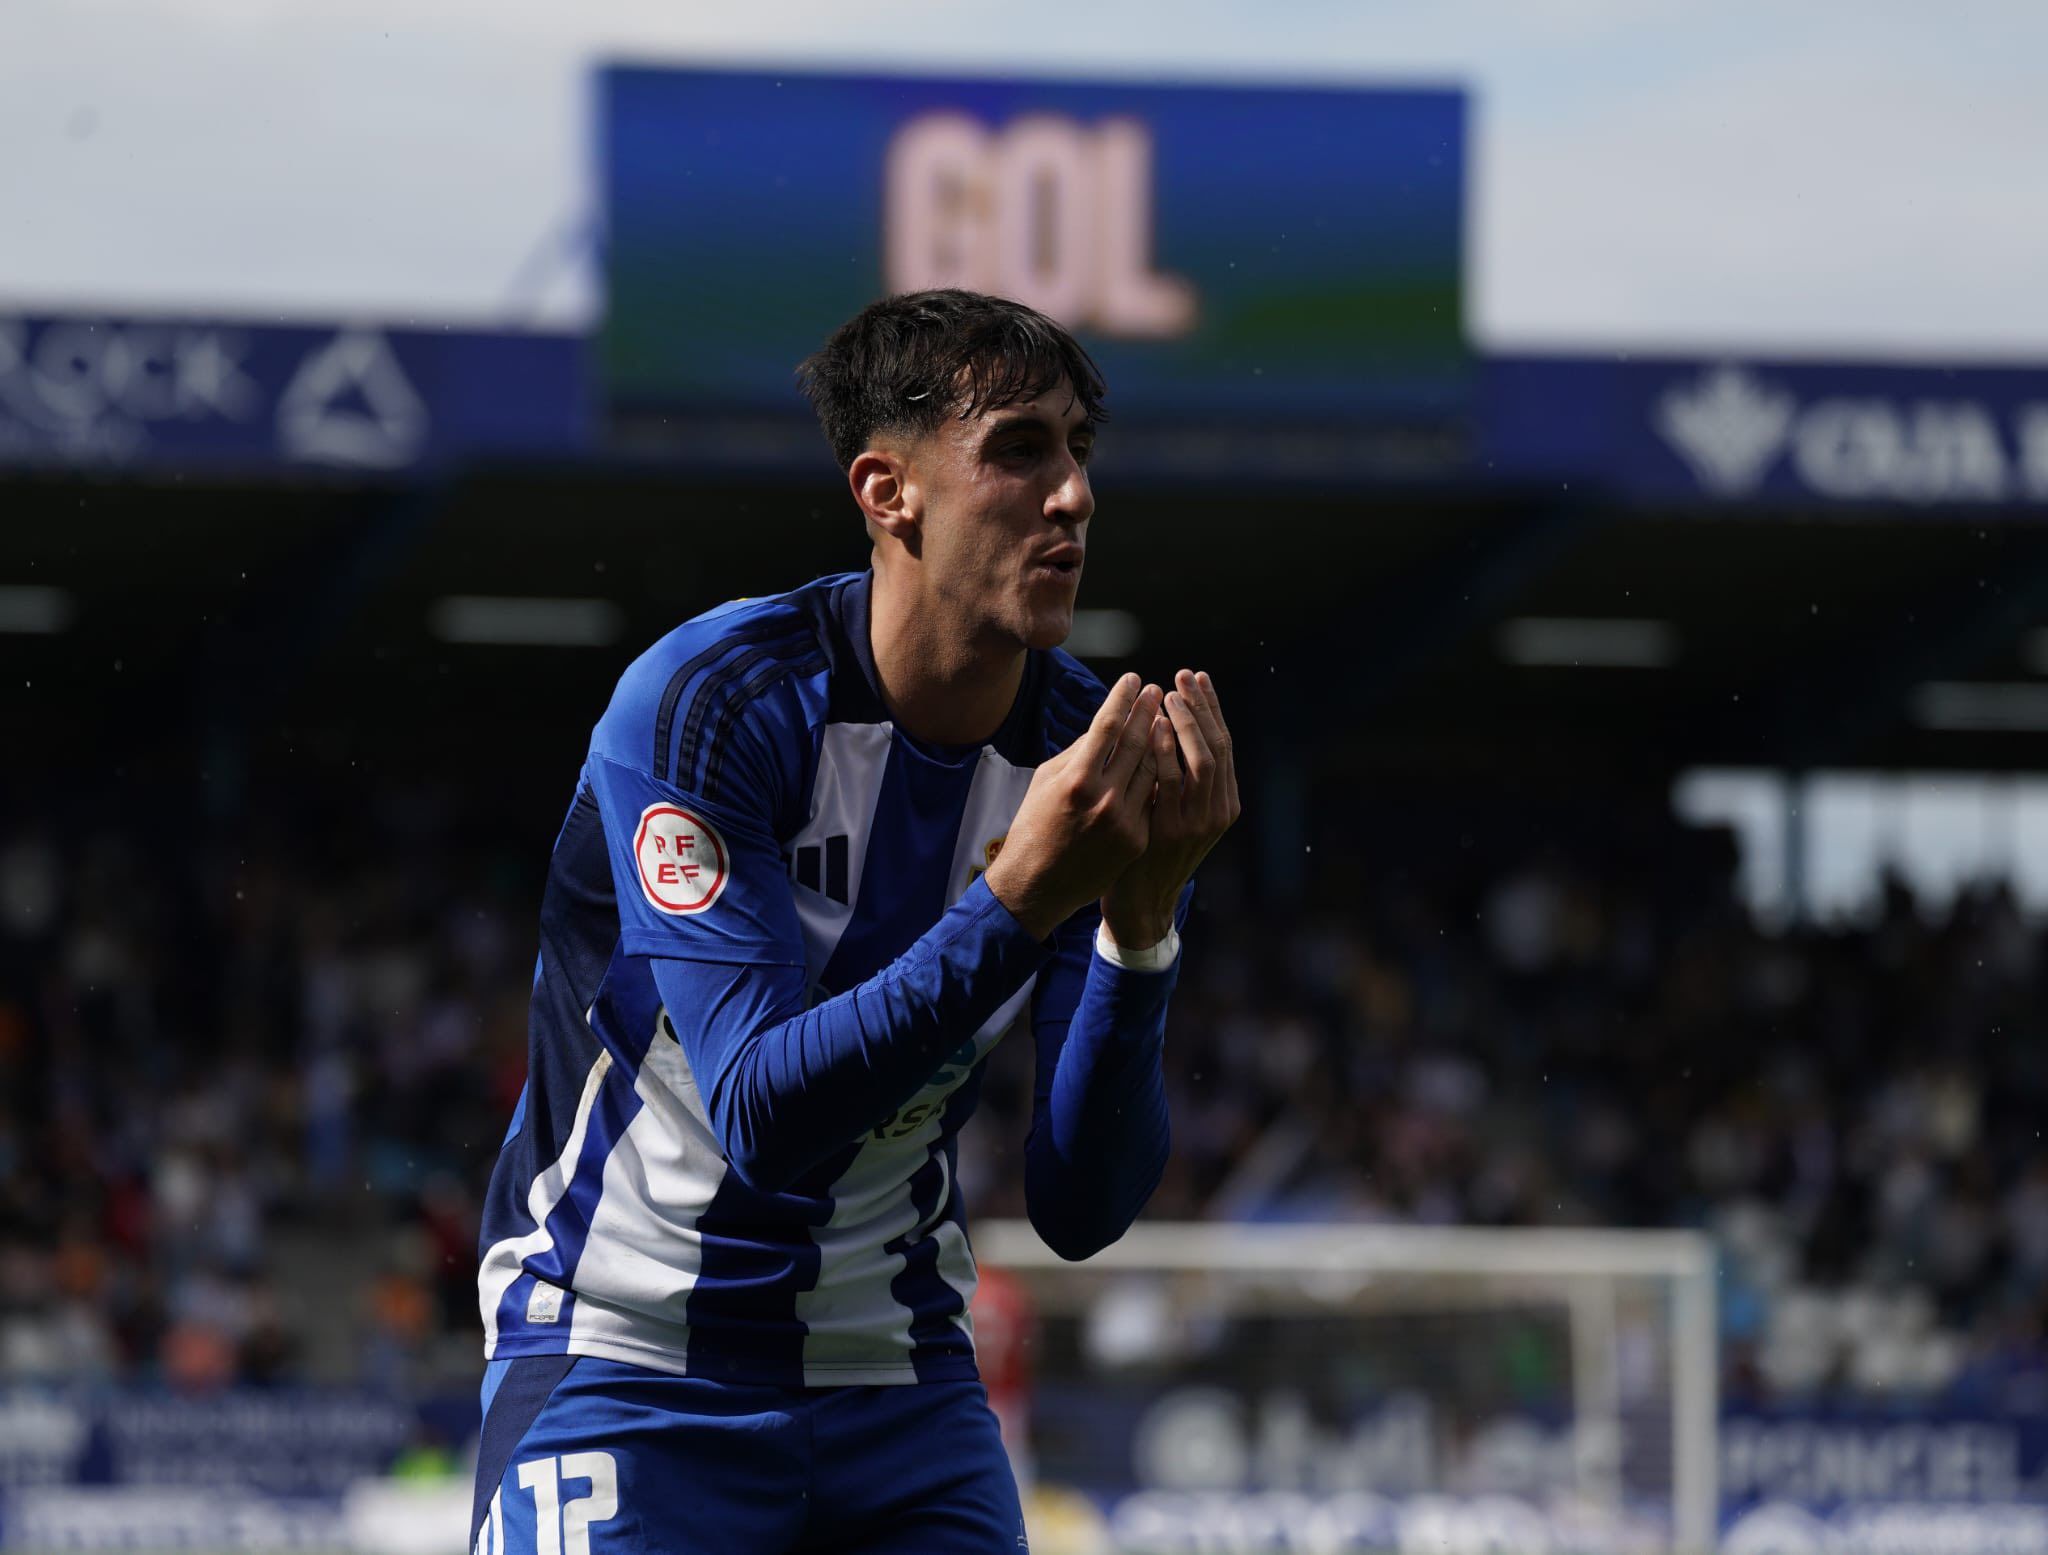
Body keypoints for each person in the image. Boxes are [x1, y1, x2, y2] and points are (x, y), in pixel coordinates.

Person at [469, 288, 1239, 1553]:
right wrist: (1016, 899)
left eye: (1079, 453)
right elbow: (764, 1118)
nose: (1072, 496)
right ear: (888, 492)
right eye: (1017, 451)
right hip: (631, 1350)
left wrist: (1137, 934)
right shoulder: (710, 705)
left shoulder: (1083, 750)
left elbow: (1080, 1208)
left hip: (901, 1385)